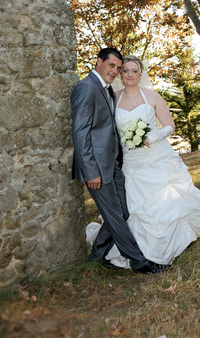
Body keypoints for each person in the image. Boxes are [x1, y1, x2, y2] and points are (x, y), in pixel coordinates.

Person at [86, 55, 200, 268]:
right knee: (131, 204)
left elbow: (169, 125)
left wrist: (152, 137)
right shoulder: (112, 98)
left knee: (164, 199)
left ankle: (169, 240)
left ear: (140, 74)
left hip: (156, 156)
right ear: (120, 73)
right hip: (130, 161)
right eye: (125, 70)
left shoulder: (152, 97)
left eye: (134, 71)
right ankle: (130, 247)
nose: (129, 75)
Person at [70, 48, 166, 274]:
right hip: (97, 168)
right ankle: (140, 262)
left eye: (117, 68)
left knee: (123, 211)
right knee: (115, 215)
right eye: (111, 66)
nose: (114, 71)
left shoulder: (104, 89)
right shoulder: (86, 88)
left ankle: (97, 256)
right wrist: (91, 171)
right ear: (98, 62)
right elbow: (80, 133)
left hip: (112, 165)